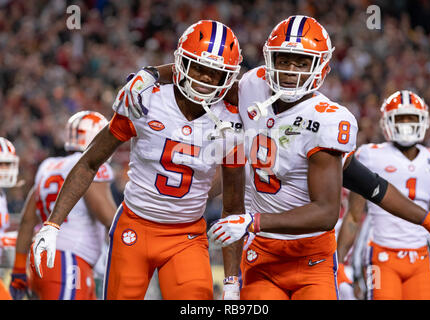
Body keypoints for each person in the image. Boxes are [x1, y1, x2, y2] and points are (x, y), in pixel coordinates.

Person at [122, 15, 430, 300]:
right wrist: (151, 74)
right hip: (261, 253)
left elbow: (343, 200)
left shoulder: (328, 117)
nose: (290, 69)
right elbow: (204, 75)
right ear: (269, 58)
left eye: (301, 62)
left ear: (320, 65)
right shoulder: (253, 83)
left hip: (311, 257)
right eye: (283, 59)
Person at [31, 20, 246, 300]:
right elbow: (89, 162)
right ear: (182, 63)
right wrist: (53, 223)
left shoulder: (234, 119)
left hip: (187, 235)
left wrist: (231, 280)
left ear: (227, 77)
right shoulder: (147, 100)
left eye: (215, 73)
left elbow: (233, 205)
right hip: (135, 225)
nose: (205, 78)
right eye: (199, 67)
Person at [336, 90, 430, 300]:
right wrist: (339, 261)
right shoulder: (370, 155)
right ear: (387, 122)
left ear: (423, 121)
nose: (406, 124)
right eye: (400, 118)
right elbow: (353, 216)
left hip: (421, 256)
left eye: (412, 118)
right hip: (381, 254)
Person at [9, 111, 117, 300]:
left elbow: (27, 220)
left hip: (43, 259)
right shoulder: (86, 166)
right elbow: (108, 217)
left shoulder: (48, 165)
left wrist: (19, 267)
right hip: (68, 261)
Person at [0, 137, 19, 300]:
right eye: (1, 164)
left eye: (8, 164)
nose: (5, 169)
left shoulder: (2, 195)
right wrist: (6, 240)